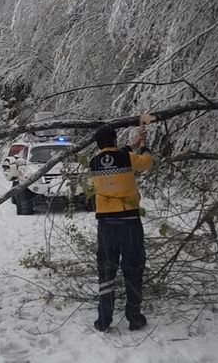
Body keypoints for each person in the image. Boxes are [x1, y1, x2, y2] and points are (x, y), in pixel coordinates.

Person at [88, 125, 153, 332]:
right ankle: (134, 317)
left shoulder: (94, 162)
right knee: (133, 269)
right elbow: (146, 163)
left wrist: (130, 145)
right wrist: (143, 145)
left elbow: (115, 156)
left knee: (106, 269)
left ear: (98, 145)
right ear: (115, 140)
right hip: (129, 222)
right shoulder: (127, 158)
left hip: (106, 224)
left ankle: (104, 320)